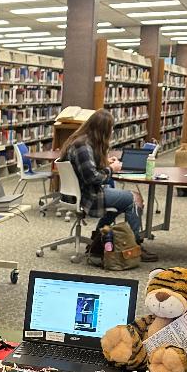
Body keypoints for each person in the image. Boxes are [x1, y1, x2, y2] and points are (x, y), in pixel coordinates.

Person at [59, 108, 158, 263]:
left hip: (85, 192)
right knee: (133, 198)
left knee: (123, 201)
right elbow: (92, 178)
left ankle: (98, 239)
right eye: (111, 128)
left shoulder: (82, 141)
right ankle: (135, 246)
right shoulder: (82, 146)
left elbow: (88, 170)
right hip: (90, 195)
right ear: (102, 130)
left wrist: (105, 163)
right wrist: (111, 169)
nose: (112, 131)